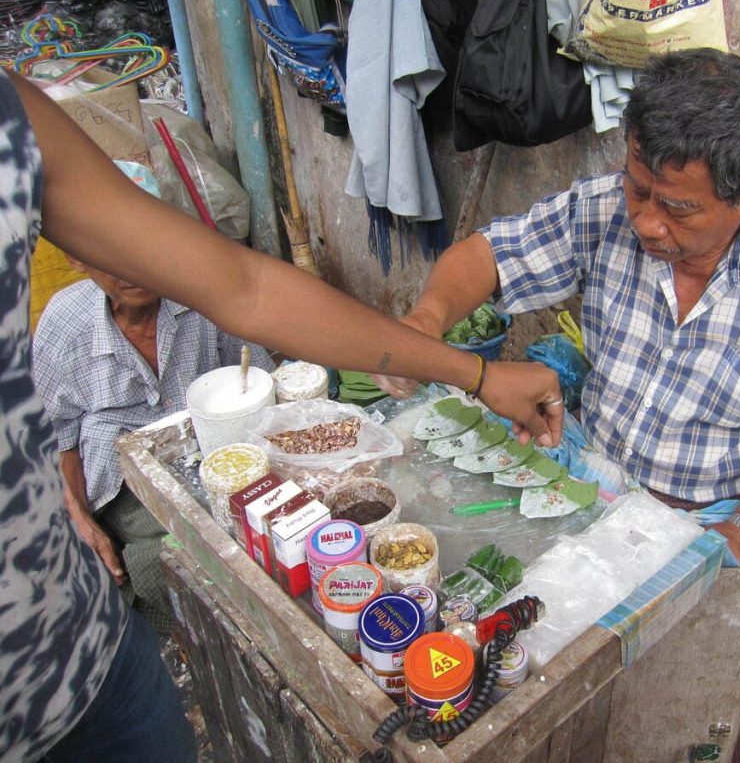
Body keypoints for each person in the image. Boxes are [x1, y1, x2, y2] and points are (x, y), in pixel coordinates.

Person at [0, 70, 562, 763]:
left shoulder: (15, 119)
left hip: (85, 649)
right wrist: (79, 512)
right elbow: (58, 430)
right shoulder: (64, 325)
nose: (123, 271)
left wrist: (477, 373)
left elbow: (248, 287)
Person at [378, 47, 740, 567]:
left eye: (679, 208)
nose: (647, 222)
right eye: (638, 189)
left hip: (708, 507)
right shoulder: (606, 206)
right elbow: (491, 254)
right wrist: (426, 320)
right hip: (593, 467)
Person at [32, 249, 276, 635]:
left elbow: (260, 378)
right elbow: (56, 441)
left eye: (136, 246)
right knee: (168, 566)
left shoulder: (201, 294)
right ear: (78, 258)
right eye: (110, 252)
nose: (133, 269)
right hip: (123, 484)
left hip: (215, 456)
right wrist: (79, 519)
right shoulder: (64, 326)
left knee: (264, 542)